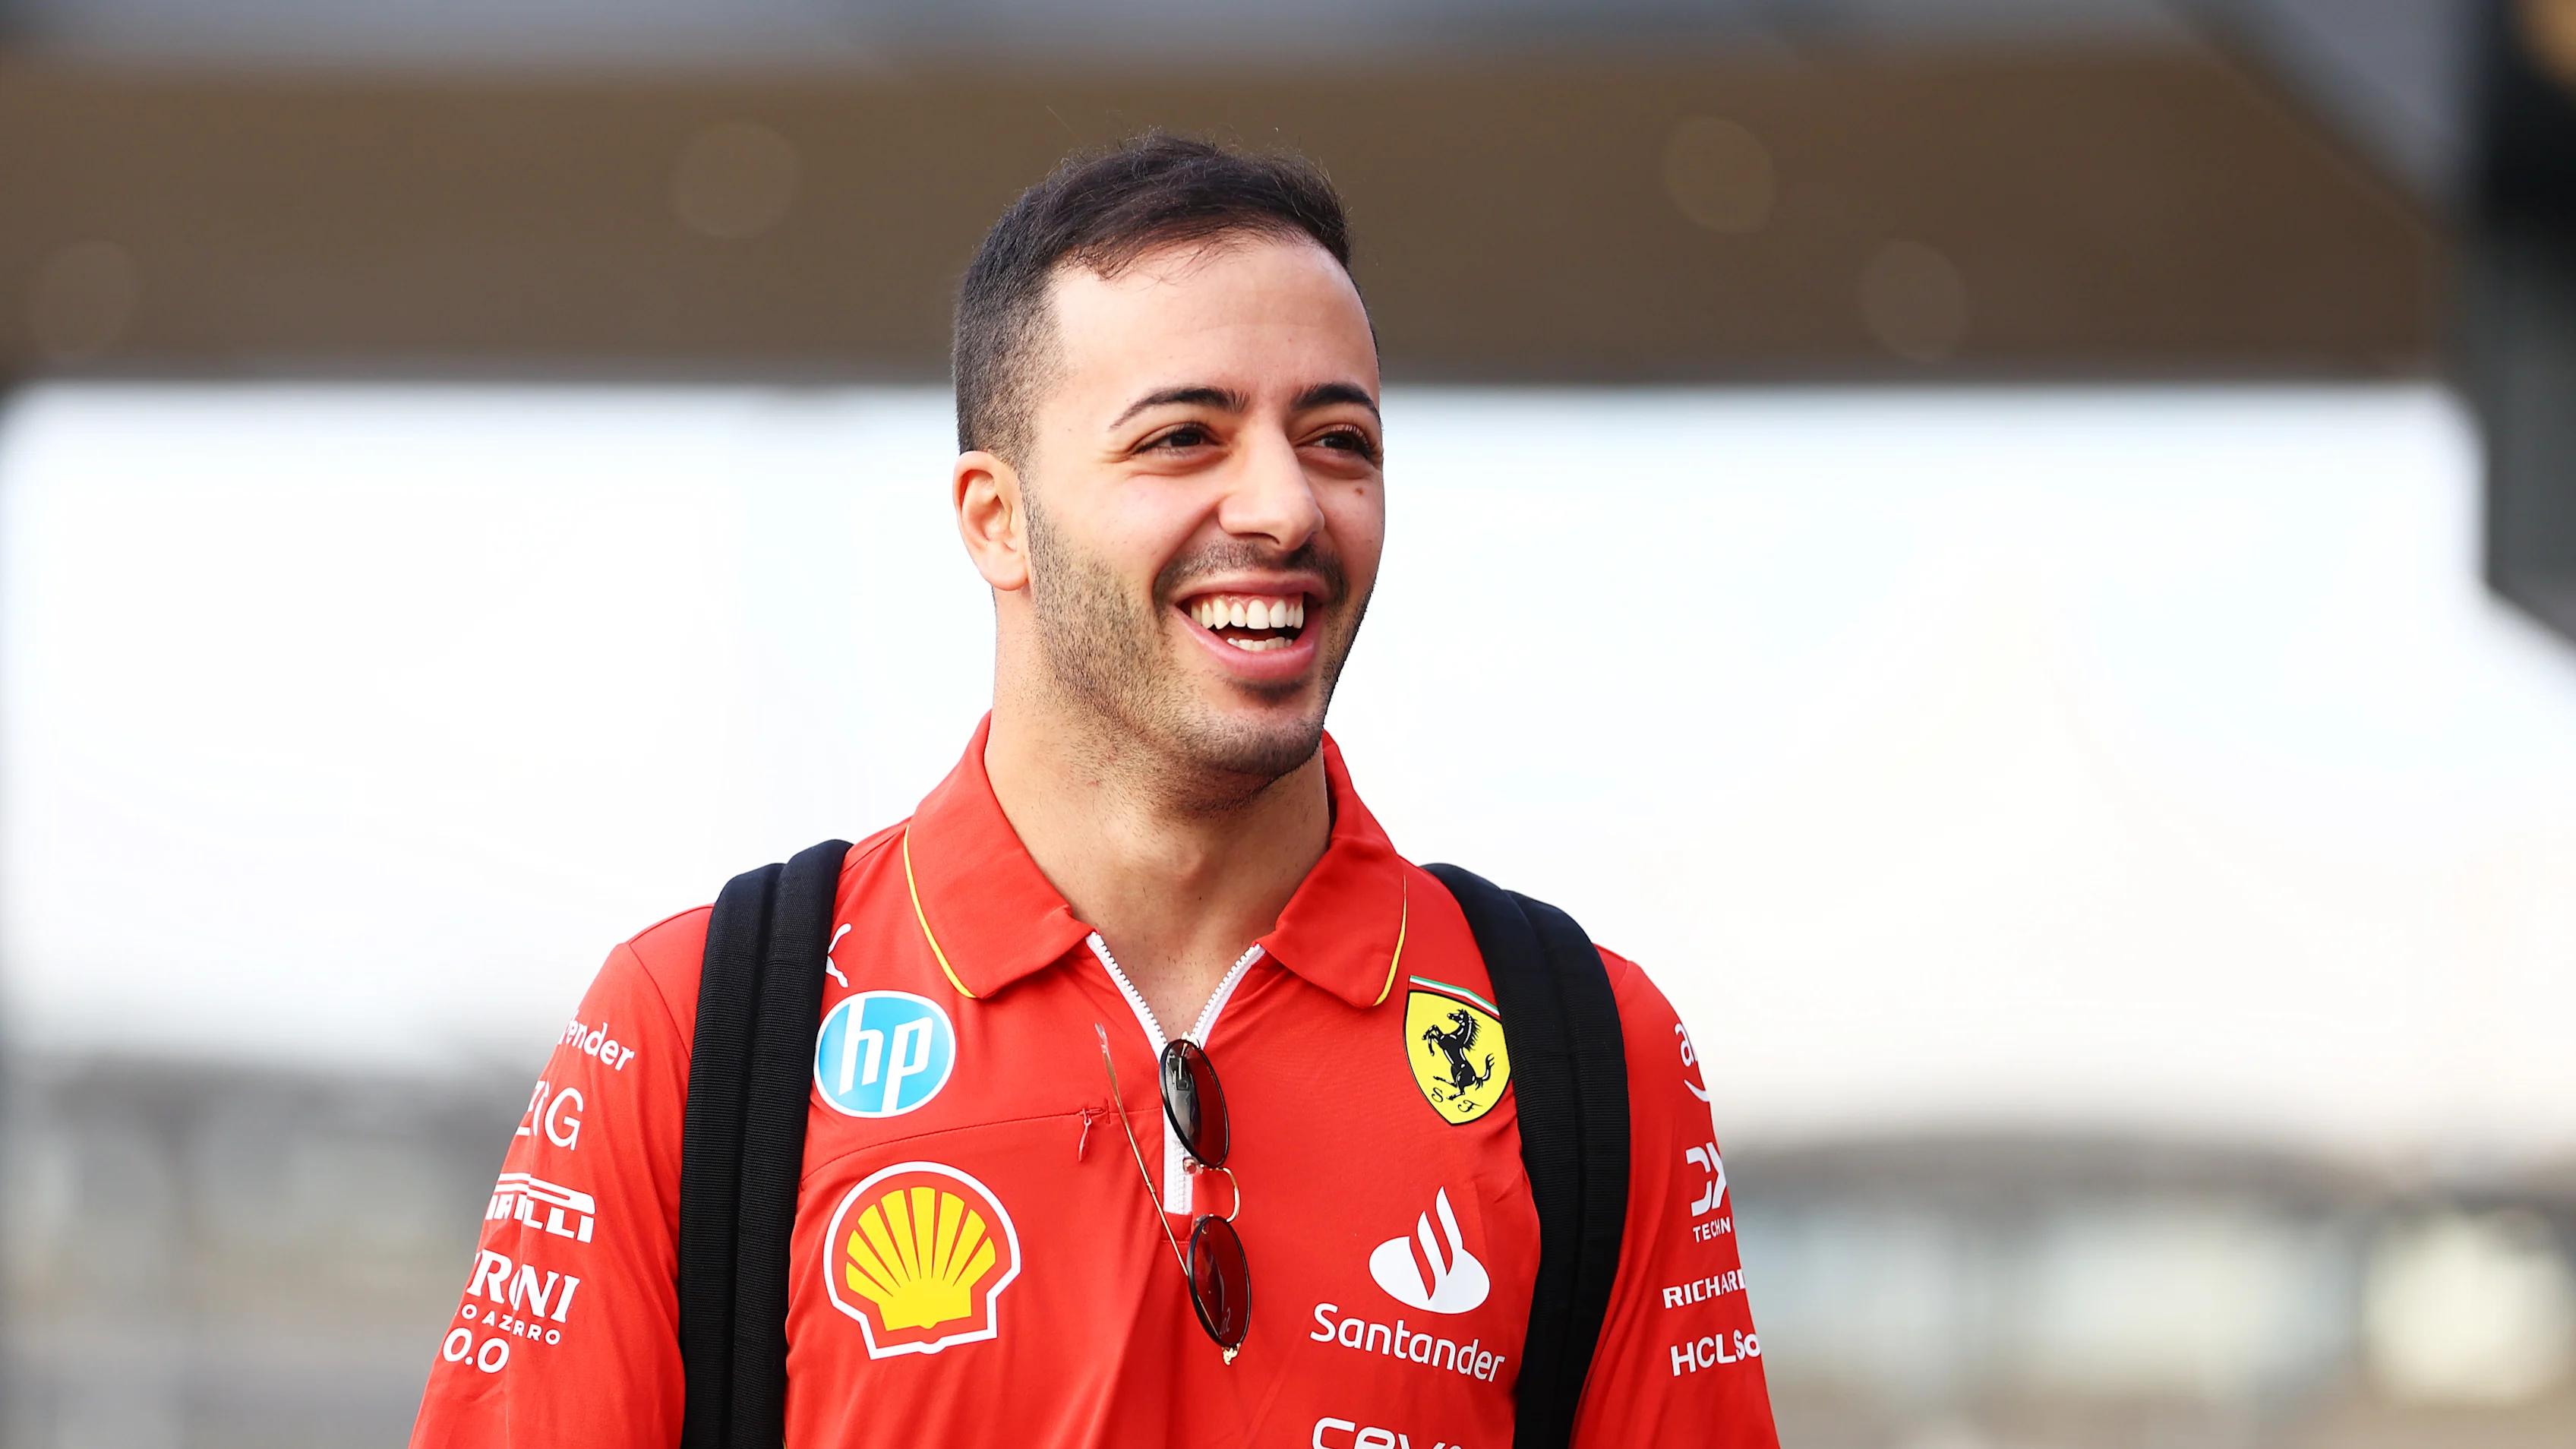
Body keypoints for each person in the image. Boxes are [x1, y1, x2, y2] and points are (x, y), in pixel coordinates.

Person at [409, 134, 1775, 1449]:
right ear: (995, 519)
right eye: (1185, 436)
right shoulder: (695, 1026)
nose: (1287, 509)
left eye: (1339, 439)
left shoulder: (1594, 1051)